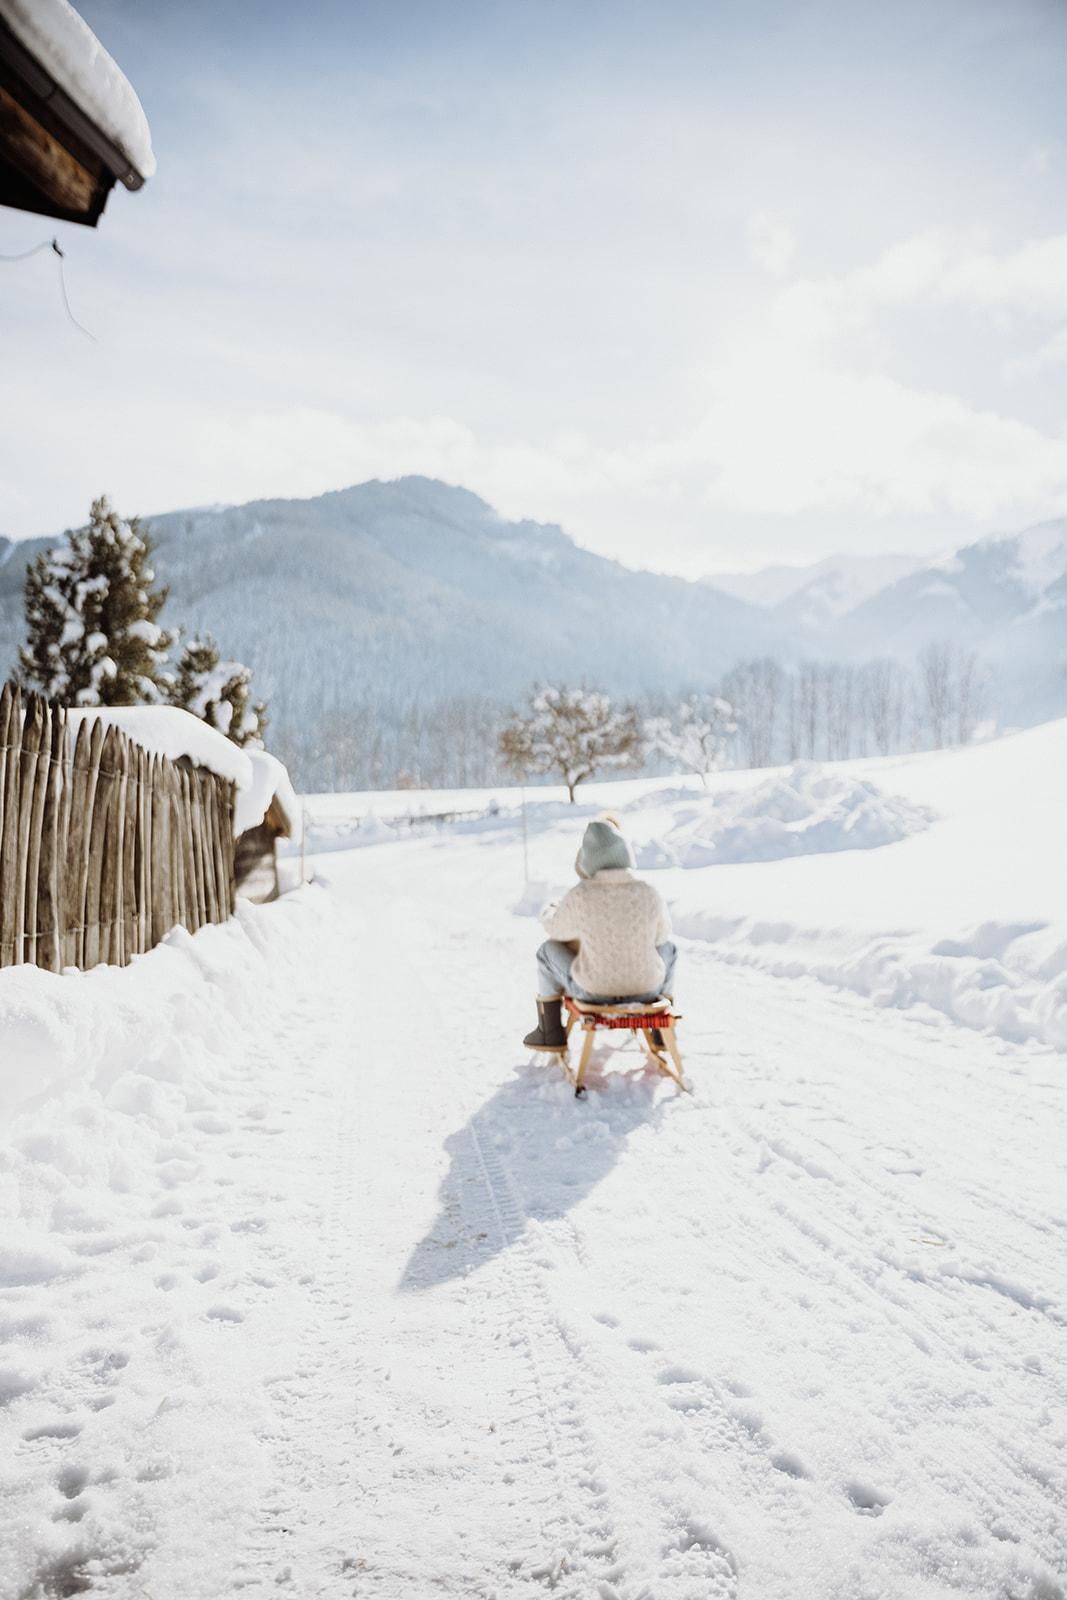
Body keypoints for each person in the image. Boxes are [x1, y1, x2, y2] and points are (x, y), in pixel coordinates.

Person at [523, 815, 677, 1051]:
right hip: (647, 990)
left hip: (593, 993)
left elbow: (556, 930)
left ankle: (549, 1031)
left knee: (547, 951)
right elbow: (661, 937)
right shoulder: (648, 891)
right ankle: (661, 1029)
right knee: (670, 949)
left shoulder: (581, 893)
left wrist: (550, 911)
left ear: (588, 859)